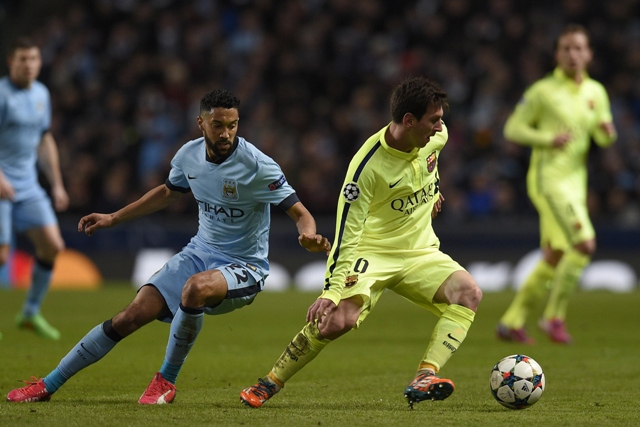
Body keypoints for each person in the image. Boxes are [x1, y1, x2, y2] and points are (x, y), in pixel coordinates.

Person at [6, 88, 331, 404]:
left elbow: (300, 212)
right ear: (200, 123)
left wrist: (308, 235)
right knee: (128, 317)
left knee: (195, 289)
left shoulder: (259, 166)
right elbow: (166, 193)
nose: (226, 134)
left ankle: (166, 381)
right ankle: (48, 384)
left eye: (233, 125)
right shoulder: (188, 156)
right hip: (199, 252)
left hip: (244, 265)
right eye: (217, 125)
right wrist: (114, 218)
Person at [240, 77, 483, 409]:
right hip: (372, 251)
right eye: (433, 119)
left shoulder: (436, 137)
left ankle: (425, 375)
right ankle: (270, 381)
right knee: (338, 321)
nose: (441, 126)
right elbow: (346, 236)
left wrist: (434, 191)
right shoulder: (365, 170)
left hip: (420, 251)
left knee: (468, 292)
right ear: (409, 120)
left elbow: (427, 170)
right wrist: (332, 290)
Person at [496, 24, 617, 344]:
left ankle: (511, 321)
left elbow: (604, 137)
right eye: (566, 48)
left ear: (589, 54)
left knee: (555, 254)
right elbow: (512, 129)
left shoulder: (596, 93)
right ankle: (553, 318)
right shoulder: (542, 91)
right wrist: (548, 138)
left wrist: (607, 131)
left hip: (576, 182)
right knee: (584, 244)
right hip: (548, 180)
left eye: (579, 48)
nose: (573, 54)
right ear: (557, 54)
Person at [0, 37, 69, 341]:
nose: (29, 65)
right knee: (1, 255)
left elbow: (44, 138)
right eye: (22, 60)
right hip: (1, 183)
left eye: (33, 59)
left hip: (27, 185)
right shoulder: (2, 94)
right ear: (10, 63)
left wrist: (56, 184)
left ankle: (29, 313)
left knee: (52, 245)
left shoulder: (41, 93)